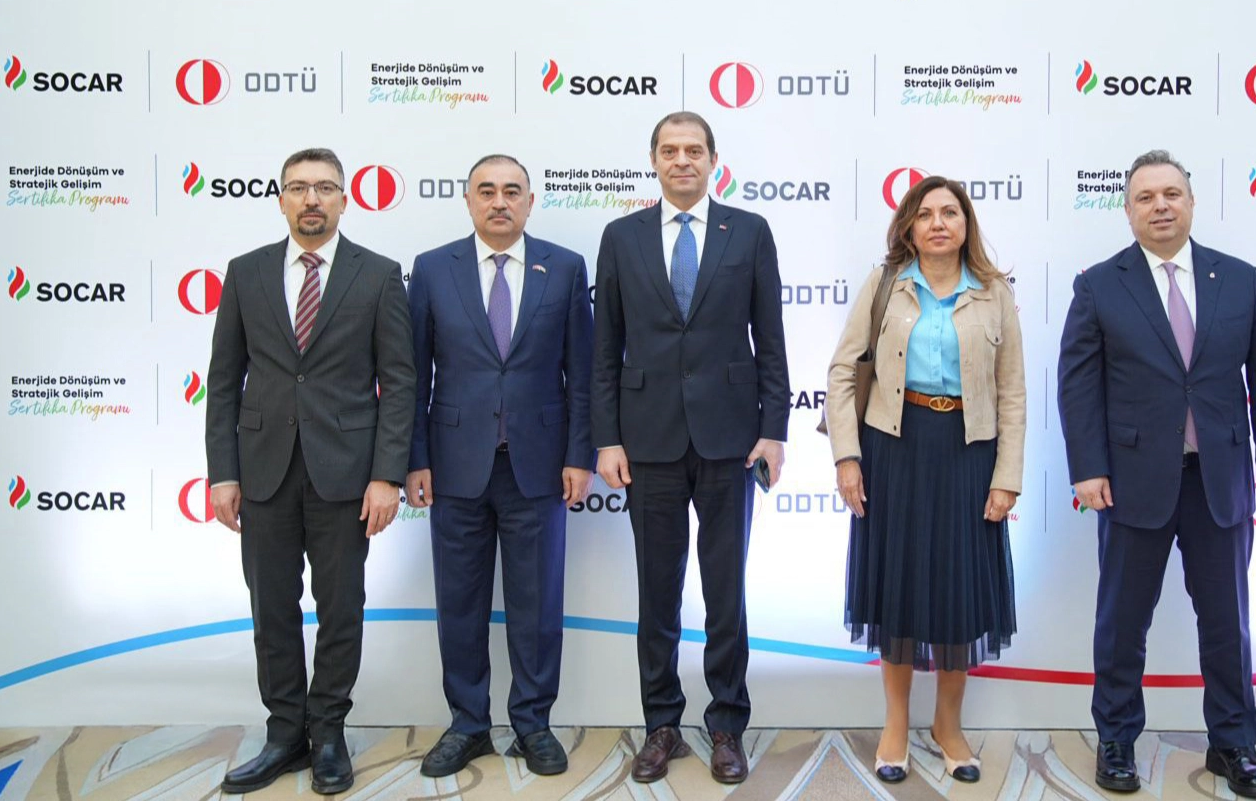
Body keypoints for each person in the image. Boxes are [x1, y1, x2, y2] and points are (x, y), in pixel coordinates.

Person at [1057, 149, 1256, 799]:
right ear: (1128, 210)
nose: (1159, 206)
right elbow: (1077, 388)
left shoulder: (1239, 279)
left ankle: (1233, 744)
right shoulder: (1099, 285)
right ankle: (1115, 741)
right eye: (1145, 197)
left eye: (1171, 194)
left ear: (1190, 202)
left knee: (1226, 623)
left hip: (1219, 481)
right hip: (1130, 482)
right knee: (1121, 623)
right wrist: (1087, 468)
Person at [205, 147, 415, 796]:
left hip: (346, 475)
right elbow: (223, 380)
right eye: (298, 187)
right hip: (262, 472)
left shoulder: (378, 274)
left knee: (340, 608)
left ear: (345, 199)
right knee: (271, 608)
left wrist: (387, 475)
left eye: (324, 187)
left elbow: (399, 382)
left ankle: (327, 733)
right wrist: (222, 473)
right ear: (281, 199)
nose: (312, 199)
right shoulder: (245, 272)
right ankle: (283, 735)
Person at [591, 111, 789, 785]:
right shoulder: (621, 237)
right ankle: (662, 726)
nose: (682, 160)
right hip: (646, 440)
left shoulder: (749, 231)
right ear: (654, 160)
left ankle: (727, 725)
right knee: (657, 593)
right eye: (670, 150)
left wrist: (773, 430)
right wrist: (607, 438)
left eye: (694, 150)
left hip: (730, 441)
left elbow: (771, 340)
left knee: (725, 591)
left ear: (713, 160)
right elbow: (604, 348)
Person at [826, 176, 1024, 785]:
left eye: (951, 213)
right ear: (909, 226)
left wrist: (1007, 476)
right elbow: (842, 371)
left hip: (968, 452)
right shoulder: (886, 283)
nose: (939, 223)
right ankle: (895, 725)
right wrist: (847, 457)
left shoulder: (993, 292)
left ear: (966, 225)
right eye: (926, 214)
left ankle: (947, 726)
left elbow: (1012, 392)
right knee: (899, 588)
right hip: (893, 447)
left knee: (960, 591)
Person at [403, 154, 593, 778]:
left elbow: (582, 374)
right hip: (455, 467)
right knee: (459, 605)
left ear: (531, 202)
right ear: (468, 201)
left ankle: (533, 723)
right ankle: (468, 724)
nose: (499, 201)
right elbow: (413, 376)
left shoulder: (565, 268)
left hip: (538, 467)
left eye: (512, 191)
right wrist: (415, 459)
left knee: (537, 607)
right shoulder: (433, 269)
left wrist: (579, 455)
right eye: (486, 191)